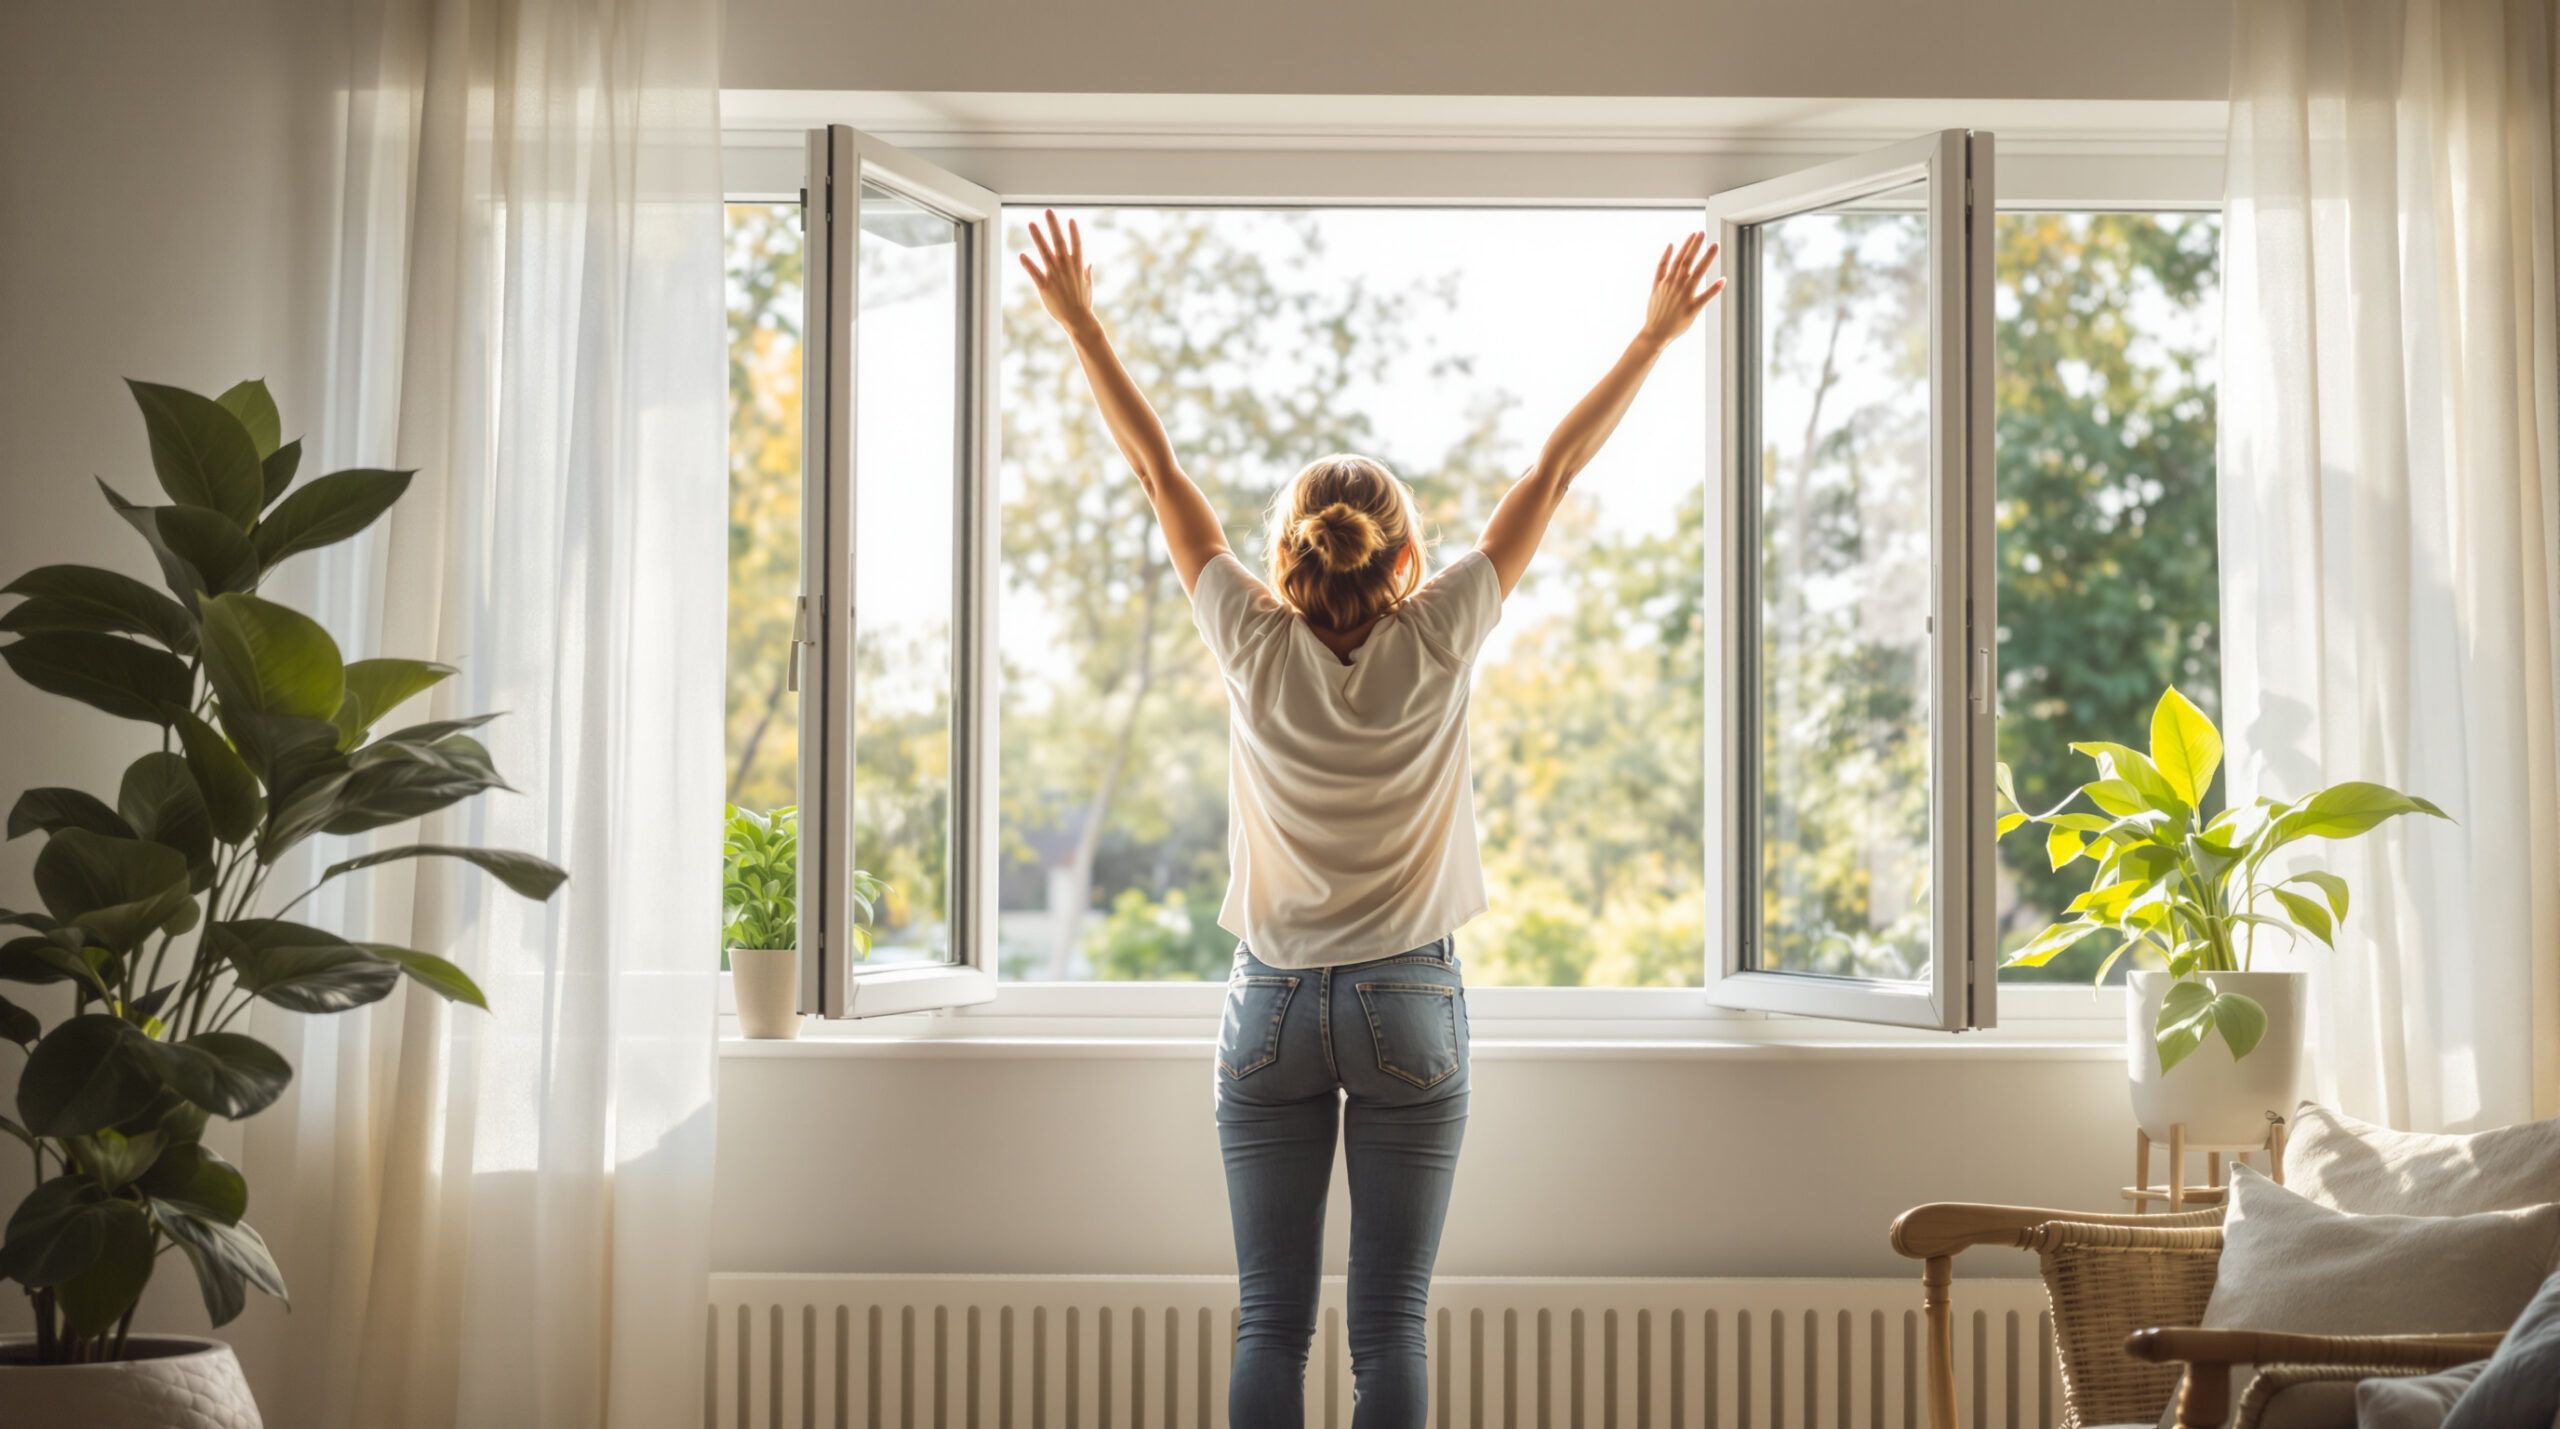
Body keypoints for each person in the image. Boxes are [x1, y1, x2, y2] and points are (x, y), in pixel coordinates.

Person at [1018, 210, 1724, 1427]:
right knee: (1389, 1324)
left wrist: (1083, 323)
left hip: (1269, 1006)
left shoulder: (1246, 634)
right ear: (1403, 557)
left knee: (1268, 1321)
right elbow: (1551, 472)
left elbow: (1157, 470)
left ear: (1294, 549)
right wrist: (1650, 339)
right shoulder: (1442, 629)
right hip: (1408, 1001)